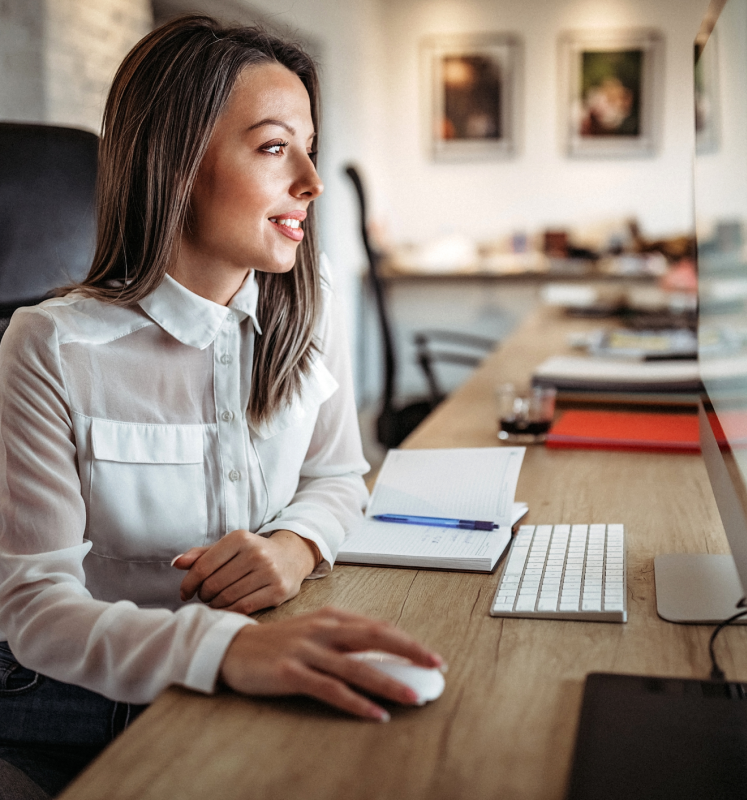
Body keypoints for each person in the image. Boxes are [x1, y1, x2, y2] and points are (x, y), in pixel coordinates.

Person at [0, 15, 443, 798]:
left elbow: (340, 474)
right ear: (177, 164)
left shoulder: (314, 298)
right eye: (275, 147)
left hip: (253, 652)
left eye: (308, 144)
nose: (309, 179)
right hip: (76, 695)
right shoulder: (49, 348)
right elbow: (36, 610)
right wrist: (223, 652)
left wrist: (296, 548)